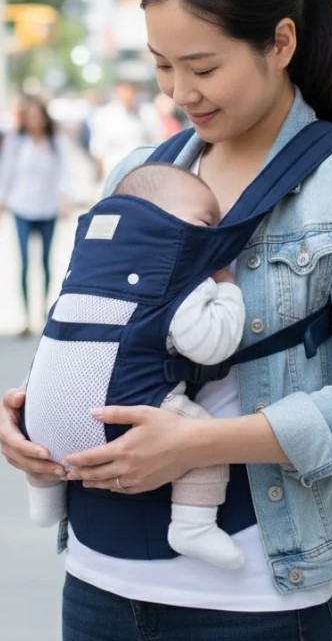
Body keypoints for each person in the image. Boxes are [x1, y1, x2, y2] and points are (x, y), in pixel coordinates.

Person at [0, 0, 332, 640]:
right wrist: (27, 414)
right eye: (162, 66)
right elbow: (97, 333)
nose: (179, 92)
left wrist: (195, 445)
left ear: (280, 43)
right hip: (97, 583)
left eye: (202, 67)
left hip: (252, 601)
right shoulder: (136, 173)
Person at [24, 162, 247, 571]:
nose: (212, 233)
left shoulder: (87, 270)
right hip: (117, 418)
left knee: (52, 431)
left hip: (39, 421)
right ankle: (193, 525)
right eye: (206, 222)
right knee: (199, 437)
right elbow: (213, 344)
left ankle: (44, 497)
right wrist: (227, 289)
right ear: (165, 221)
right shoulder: (178, 277)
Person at [0, 97, 72, 336]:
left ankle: (44, 309)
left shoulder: (55, 141)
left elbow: (64, 172)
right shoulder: (16, 142)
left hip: (47, 207)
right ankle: (26, 316)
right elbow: (5, 171)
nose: (34, 122)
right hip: (22, 207)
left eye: (38, 117)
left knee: (46, 261)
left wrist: (64, 199)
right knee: (25, 262)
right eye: (30, 117)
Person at [88, 81, 159, 182]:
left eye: (133, 91)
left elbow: (153, 140)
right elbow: (99, 150)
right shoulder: (105, 116)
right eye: (126, 91)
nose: (129, 95)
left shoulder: (145, 113)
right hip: (115, 175)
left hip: (141, 175)